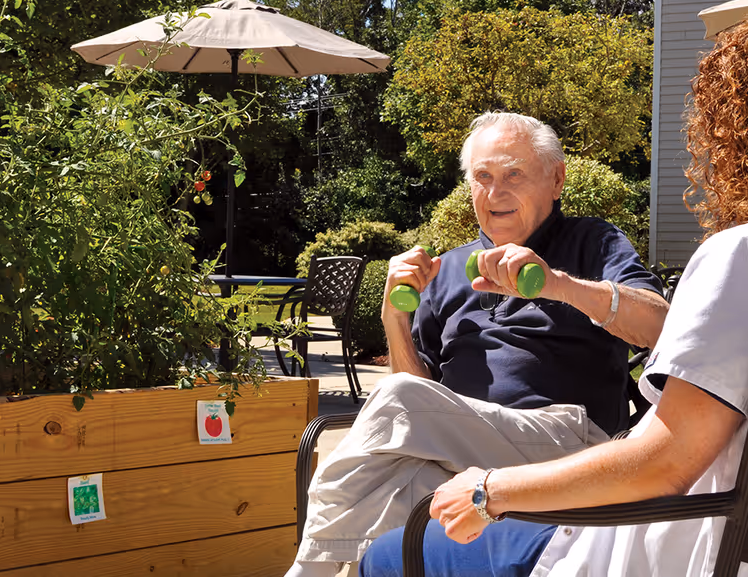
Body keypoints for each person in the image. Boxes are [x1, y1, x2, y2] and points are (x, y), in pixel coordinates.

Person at [358, 13, 748, 577]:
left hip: (684, 547)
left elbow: (665, 465)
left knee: (386, 556)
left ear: (740, 138)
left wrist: (491, 491)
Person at [286, 112, 669, 577]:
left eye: (513, 175)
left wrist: (559, 285)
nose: (495, 193)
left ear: (556, 179)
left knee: (394, 404)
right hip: (462, 457)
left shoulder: (593, 242)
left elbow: (662, 326)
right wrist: (394, 318)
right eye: (483, 177)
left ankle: (305, 572)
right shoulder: (446, 269)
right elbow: (418, 404)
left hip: (569, 448)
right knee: (394, 496)